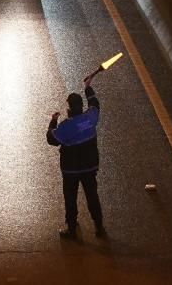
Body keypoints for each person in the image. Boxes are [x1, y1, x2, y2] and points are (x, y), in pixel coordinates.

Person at [46, 77, 104, 240]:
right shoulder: (90, 118)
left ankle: (72, 228)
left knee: (70, 198)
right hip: (89, 167)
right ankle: (99, 226)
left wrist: (53, 120)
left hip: (70, 170)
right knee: (92, 195)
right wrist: (88, 87)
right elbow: (95, 104)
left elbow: (51, 139)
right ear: (81, 106)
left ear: (70, 107)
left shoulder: (66, 126)